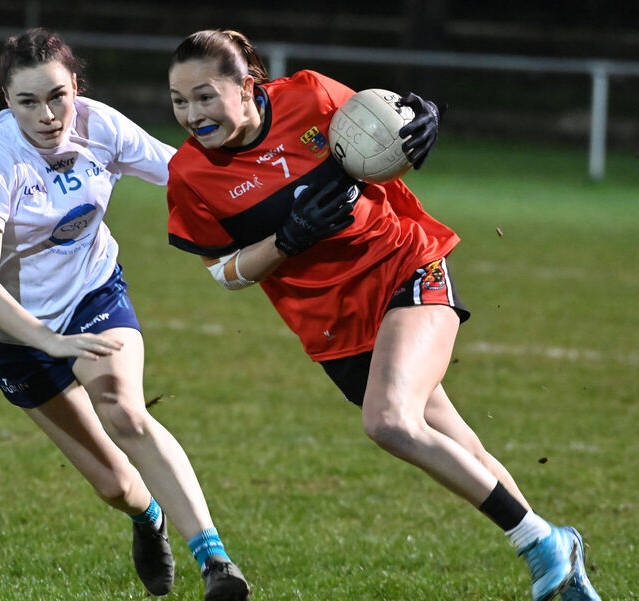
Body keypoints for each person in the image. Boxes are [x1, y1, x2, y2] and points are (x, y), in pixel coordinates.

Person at [165, 29, 601, 601]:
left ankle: (541, 545)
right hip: (333, 329)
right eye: (178, 100)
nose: (192, 114)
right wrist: (287, 241)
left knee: (390, 421)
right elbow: (222, 271)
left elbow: (384, 124)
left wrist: (424, 116)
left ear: (248, 87)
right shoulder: (191, 175)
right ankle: (561, 565)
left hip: (404, 266)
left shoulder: (310, 96)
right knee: (462, 448)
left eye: (204, 96)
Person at [0, 28, 250, 601]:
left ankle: (216, 562)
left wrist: (276, 173)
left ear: (74, 87)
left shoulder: (99, 125)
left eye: (57, 96)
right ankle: (147, 517)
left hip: (91, 293)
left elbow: (186, 172)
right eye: (28, 101)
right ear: (7, 102)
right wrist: (47, 341)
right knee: (114, 486)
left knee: (125, 412)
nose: (48, 115)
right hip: (8, 331)